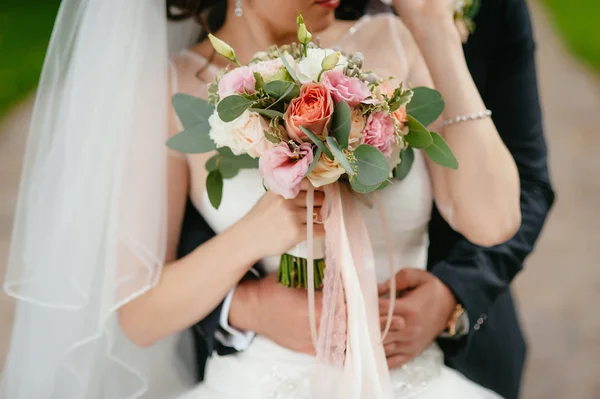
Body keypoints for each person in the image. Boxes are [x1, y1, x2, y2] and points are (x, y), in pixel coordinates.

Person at [0, 1, 530, 399]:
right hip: (264, 379)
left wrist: (436, 33)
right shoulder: (171, 89)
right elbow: (138, 315)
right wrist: (257, 232)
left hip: (414, 375)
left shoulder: (392, 42)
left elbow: (496, 221)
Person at [179, 1, 554, 399]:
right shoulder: (179, 79)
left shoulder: (393, 43)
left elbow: (508, 207)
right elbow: (148, 270)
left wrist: (433, 26)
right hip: (260, 372)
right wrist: (246, 300)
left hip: (431, 359)